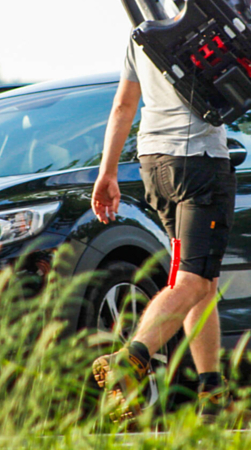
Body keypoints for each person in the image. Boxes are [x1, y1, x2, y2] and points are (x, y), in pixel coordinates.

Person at [89, 35, 239, 423]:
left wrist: (107, 172)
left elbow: (123, 105)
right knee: (192, 281)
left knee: (199, 280)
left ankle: (212, 394)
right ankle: (131, 359)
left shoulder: (141, 33)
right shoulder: (210, 22)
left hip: (154, 166)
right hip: (199, 163)